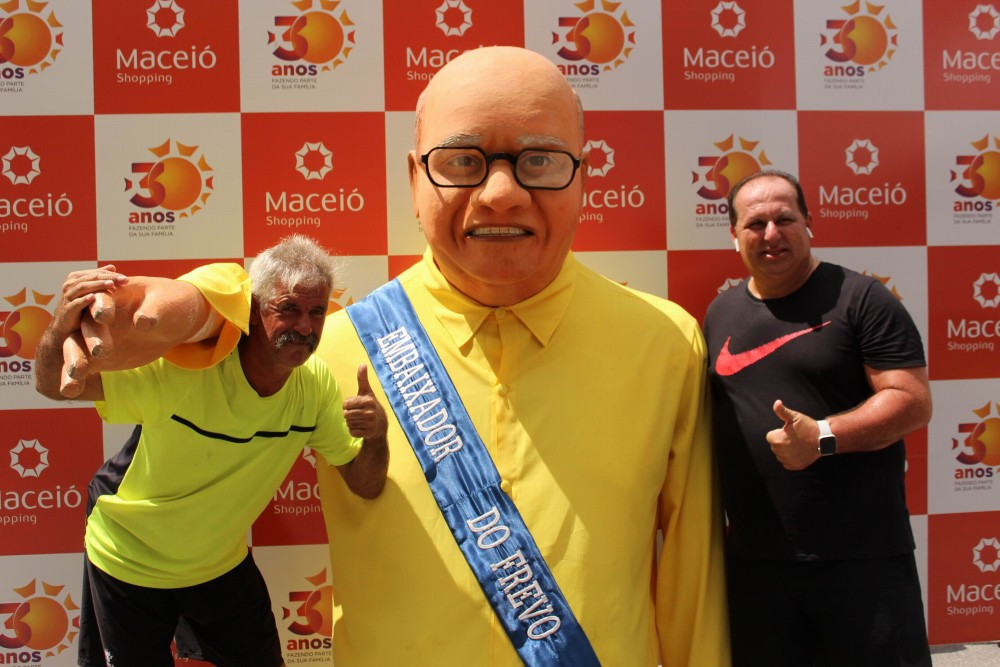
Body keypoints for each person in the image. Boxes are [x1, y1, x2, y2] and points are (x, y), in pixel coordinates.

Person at [55, 47, 729, 665]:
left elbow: (693, 584)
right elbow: (183, 468)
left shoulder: (665, 344)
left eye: (541, 161)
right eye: (462, 161)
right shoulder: (324, 350)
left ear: (584, 175)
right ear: (414, 179)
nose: (501, 193)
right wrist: (197, 311)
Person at [34, 235, 389, 667]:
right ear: (254, 312)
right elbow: (52, 384)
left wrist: (376, 435)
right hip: (128, 559)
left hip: (217, 565)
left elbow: (365, 483)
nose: (304, 327)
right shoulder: (184, 369)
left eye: (316, 312)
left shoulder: (314, 386)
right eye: (288, 309)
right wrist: (60, 327)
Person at [703, 170, 932, 666]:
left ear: (809, 222)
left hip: (862, 562)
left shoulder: (862, 299)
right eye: (755, 223)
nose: (771, 234)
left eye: (784, 219)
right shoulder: (719, 313)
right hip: (756, 566)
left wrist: (823, 437)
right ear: (734, 234)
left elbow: (912, 401)